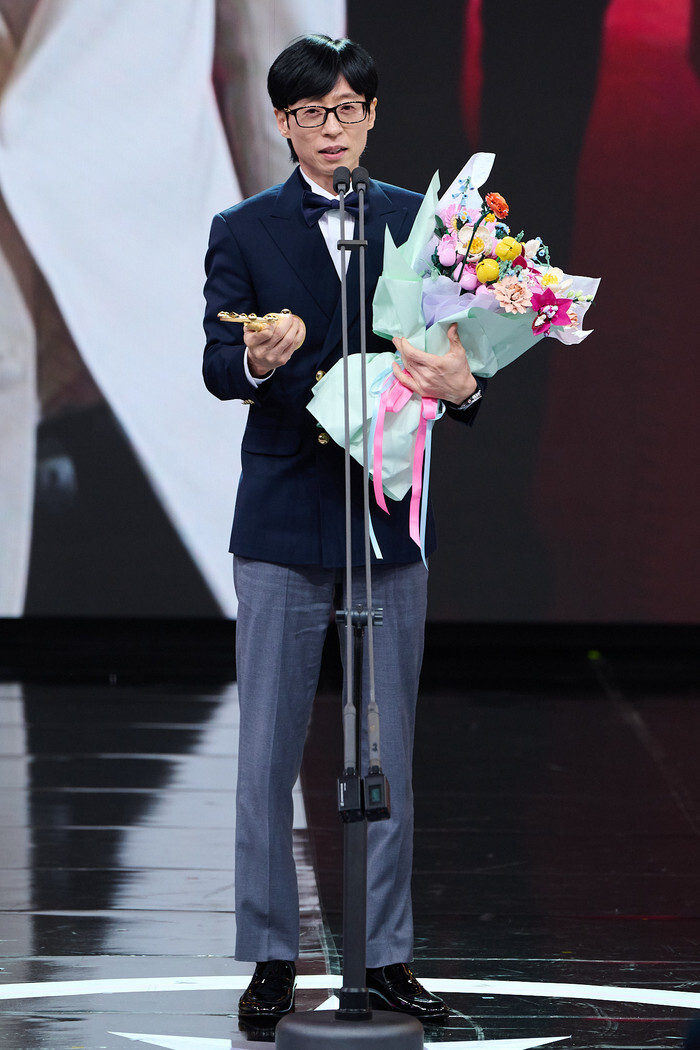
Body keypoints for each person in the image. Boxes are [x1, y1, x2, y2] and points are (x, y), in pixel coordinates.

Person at [202, 33, 485, 1032]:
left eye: (347, 109)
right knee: (266, 755)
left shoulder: (417, 222)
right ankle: (272, 956)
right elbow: (216, 362)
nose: (332, 128)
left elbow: (457, 357)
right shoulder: (243, 229)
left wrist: (464, 387)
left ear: (371, 115)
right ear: (283, 124)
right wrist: (257, 358)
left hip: (385, 516)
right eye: (312, 113)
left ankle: (387, 957)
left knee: (385, 753)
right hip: (284, 514)